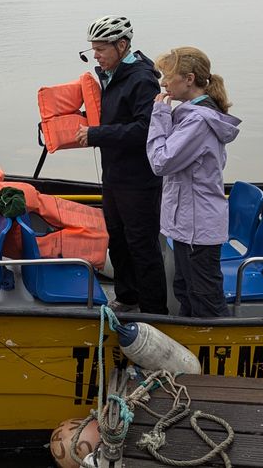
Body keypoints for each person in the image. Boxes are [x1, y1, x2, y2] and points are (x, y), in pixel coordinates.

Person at [75, 16, 168, 315]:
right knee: (117, 239)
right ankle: (127, 297)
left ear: (122, 45)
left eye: (101, 49)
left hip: (139, 180)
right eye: (93, 51)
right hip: (114, 175)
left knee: (143, 245)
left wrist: (96, 134)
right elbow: (114, 115)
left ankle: (155, 312)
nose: (96, 56)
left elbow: (144, 129)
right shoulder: (111, 74)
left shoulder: (142, 79)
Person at [147, 47, 240, 318]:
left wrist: (159, 115)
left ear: (189, 79)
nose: (163, 83)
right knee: (186, 292)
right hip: (187, 226)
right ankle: (192, 351)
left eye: (168, 76)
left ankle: (219, 351)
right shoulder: (190, 115)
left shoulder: (197, 122)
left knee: (206, 300)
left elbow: (161, 162)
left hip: (198, 229)